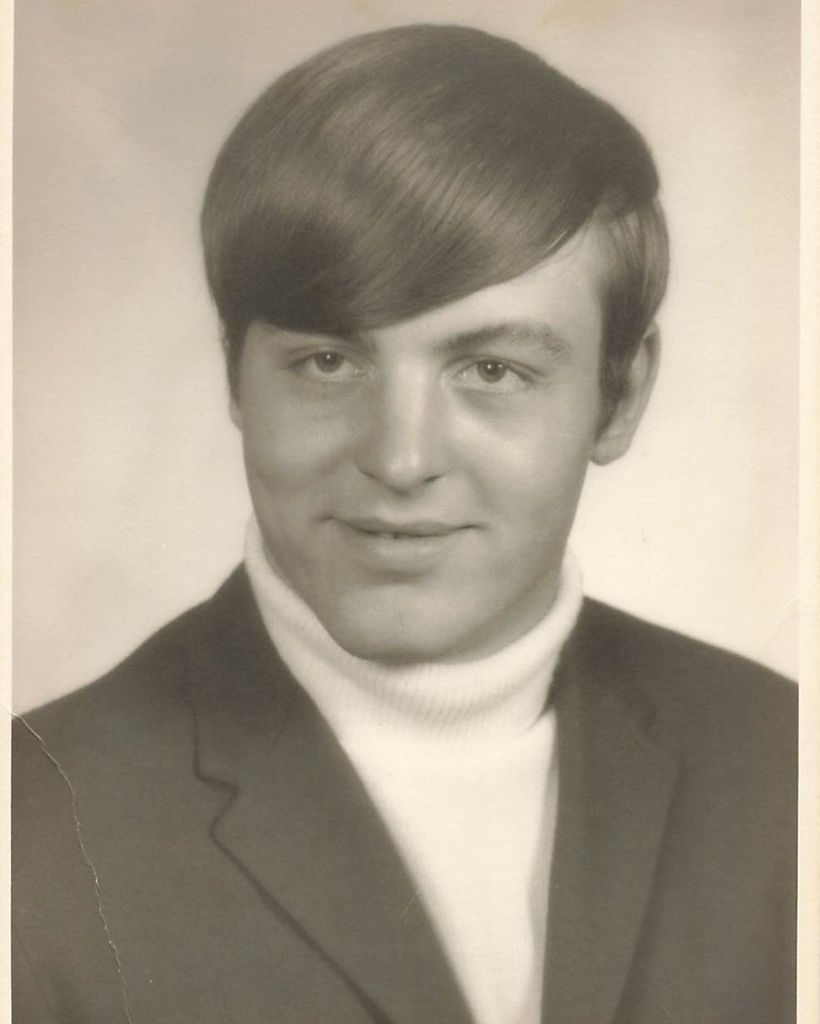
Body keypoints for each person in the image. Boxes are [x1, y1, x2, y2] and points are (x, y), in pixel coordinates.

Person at [11, 23, 796, 1024]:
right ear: (236, 379)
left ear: (619, 397)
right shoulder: (36, 827)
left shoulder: (781, 757)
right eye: (328, 362)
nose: (400, 457)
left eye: (492, 370)